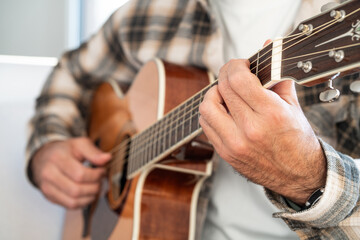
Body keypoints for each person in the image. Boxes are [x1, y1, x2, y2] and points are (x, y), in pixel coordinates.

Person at [26, 0, 360, 239]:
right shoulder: (149, 12)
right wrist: (48, 148)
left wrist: (309, 179)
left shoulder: (341, 23)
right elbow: (72, 74)